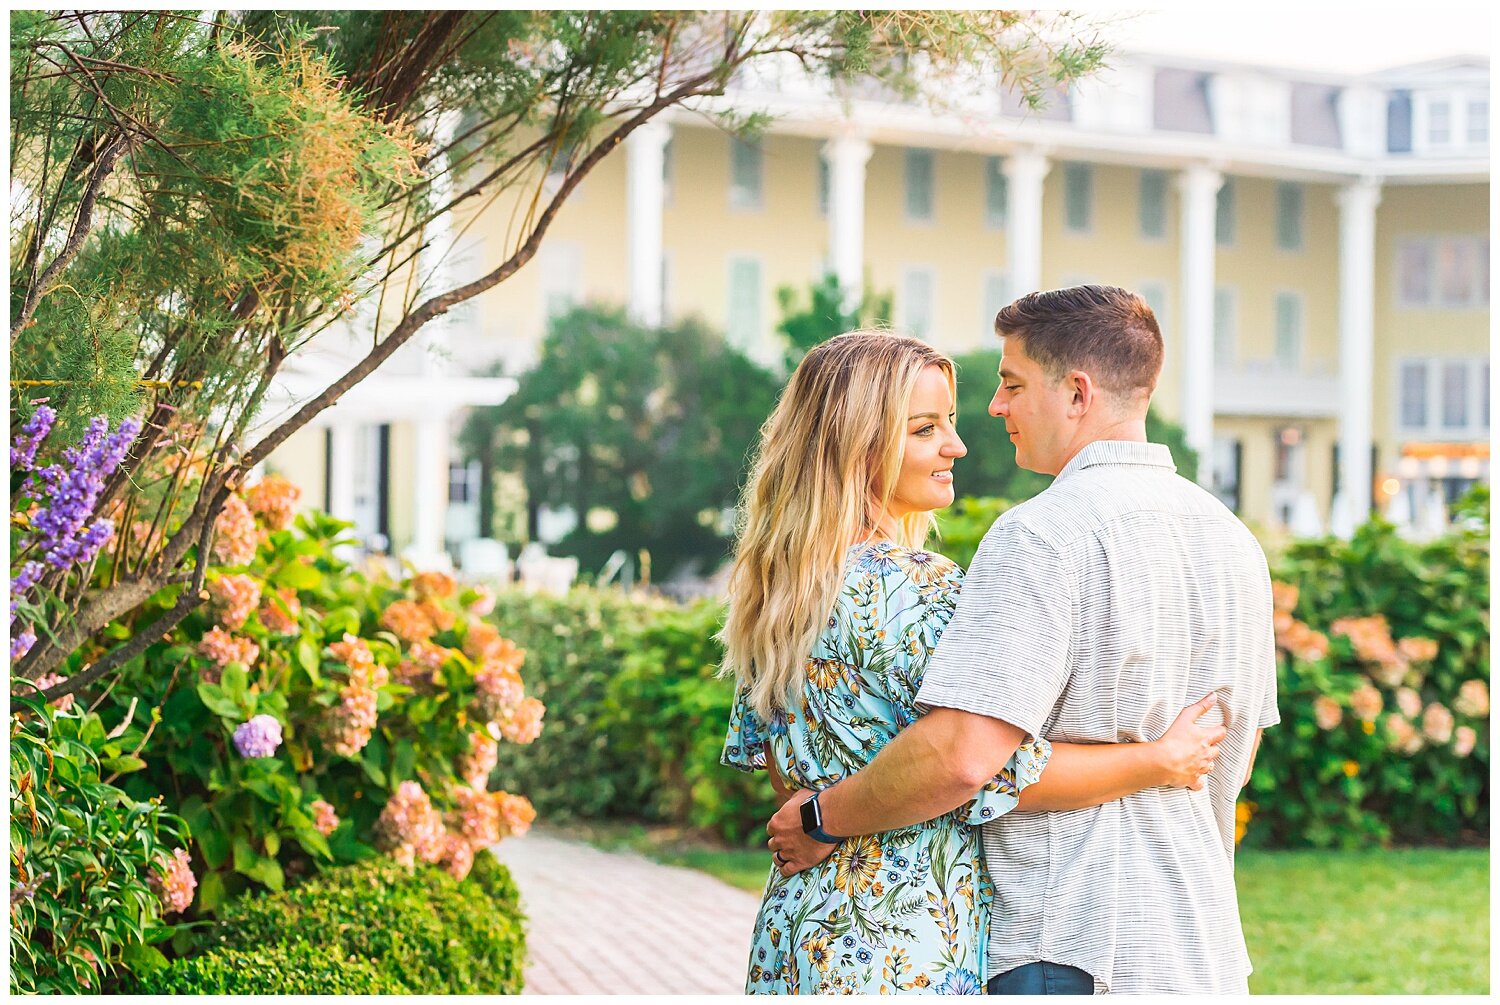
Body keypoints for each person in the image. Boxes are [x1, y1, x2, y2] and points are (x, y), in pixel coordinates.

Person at [766, 289, 1279, 995]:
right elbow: (1235, 752)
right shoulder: (1237, 544)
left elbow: (964, 757)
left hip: (1065, 938)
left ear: (1077, 393)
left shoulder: (1039, 534)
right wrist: (1160, 759)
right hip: (1199, 941)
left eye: (1011, 385)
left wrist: (822, 816)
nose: (993, 409)